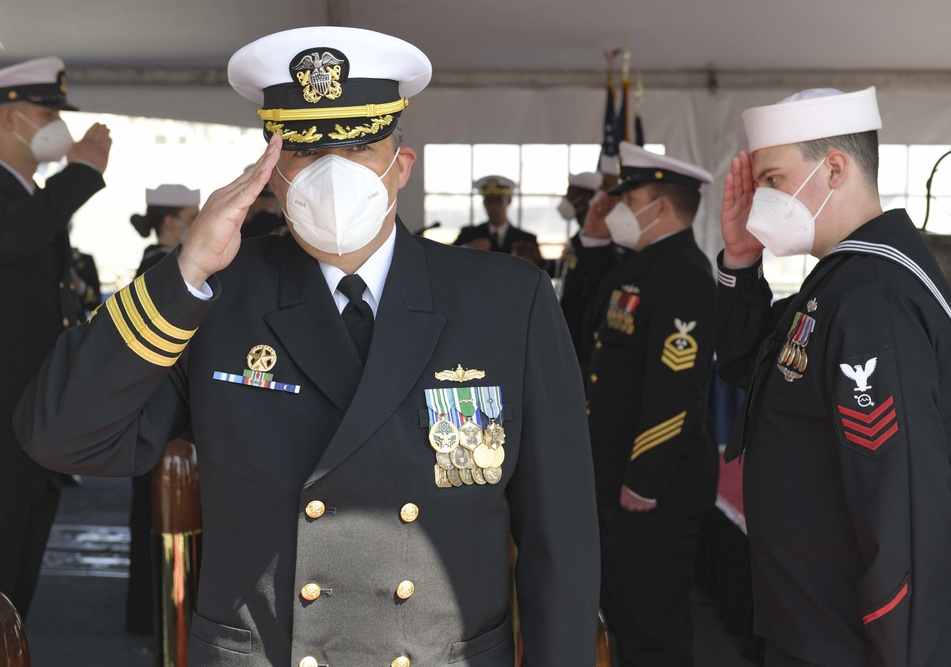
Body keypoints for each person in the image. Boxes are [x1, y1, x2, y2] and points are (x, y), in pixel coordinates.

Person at [15, 26, 599, 667]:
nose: (332, 173)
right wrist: (183, 274)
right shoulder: (218, 298)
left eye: (359, 147)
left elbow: (560, 538)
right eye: (304, 152)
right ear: (271, 174)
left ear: (401, 167)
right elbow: (61, 436)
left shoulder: (505, 301)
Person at [715, 87, 951, 666]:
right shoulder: (840, 281)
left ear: (834, 168)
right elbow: (745, 365)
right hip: (812, 627)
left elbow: (902, 508)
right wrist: (739, 259)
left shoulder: (872, 296)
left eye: (774, 180)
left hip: (852, 644)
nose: (762, 200)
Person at [585, 141, 718, 666]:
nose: (615, 205)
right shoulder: (638, 265)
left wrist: (644, 475)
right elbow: (583, 332)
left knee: (651, 629)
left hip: (652, 488)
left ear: (659, 206)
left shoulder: (683, 273)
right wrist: (594, 243)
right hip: (614, 475)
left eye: (627, 196)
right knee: (621, 615)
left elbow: (675, 389)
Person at [0, 56, 112, 619]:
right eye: (44, 112)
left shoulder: (29, 195)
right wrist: (82, 174)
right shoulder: (19, 199)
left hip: (28, 420)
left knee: (18, 578)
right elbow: (11, 238)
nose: (56, 126)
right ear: (6, 119)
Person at [125, 182, 200, 635]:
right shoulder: (163, 265)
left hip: (155, 411)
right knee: (161, 517)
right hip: (160, 413)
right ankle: (153, 617)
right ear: (171, 222)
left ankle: (146, 615)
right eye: (192, 218)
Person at [555, 171, 631, 364]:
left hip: (586, 327)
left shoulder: (606, 242)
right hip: (568, 325)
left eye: (570, 195)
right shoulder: (579, 238)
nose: (566, 200)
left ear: (586, 198)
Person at [452, 175, 545, 267]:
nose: (493, 206)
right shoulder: (469, 235)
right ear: (484, 203)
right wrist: (467, 248)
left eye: (498, 200)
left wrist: (531, 263)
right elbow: (447, 260)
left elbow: (546, 273)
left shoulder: (526, 240)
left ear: (509, 201)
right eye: (489, 200)